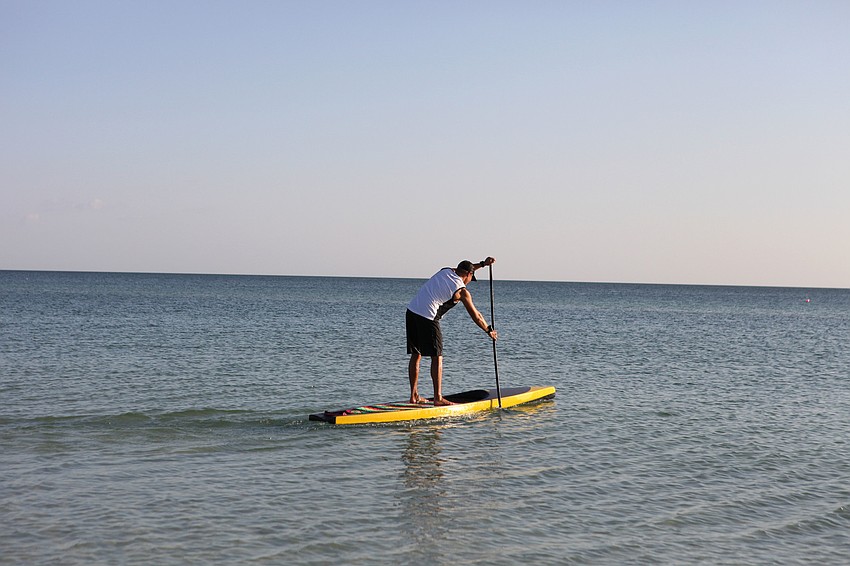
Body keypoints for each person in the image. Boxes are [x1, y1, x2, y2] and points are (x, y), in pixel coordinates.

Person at [405, 257, 498, 406]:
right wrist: (488, 330)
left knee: (417, 354)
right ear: (467, 274)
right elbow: (476, 315)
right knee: (437, 357)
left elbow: (464, 268)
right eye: (471, 278)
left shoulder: (445, 270)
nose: (469, 282)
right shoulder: (461, 291)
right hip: (428, 316)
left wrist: (482, 265)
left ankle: (414, 396)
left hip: (412, 311)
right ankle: (438, 398)